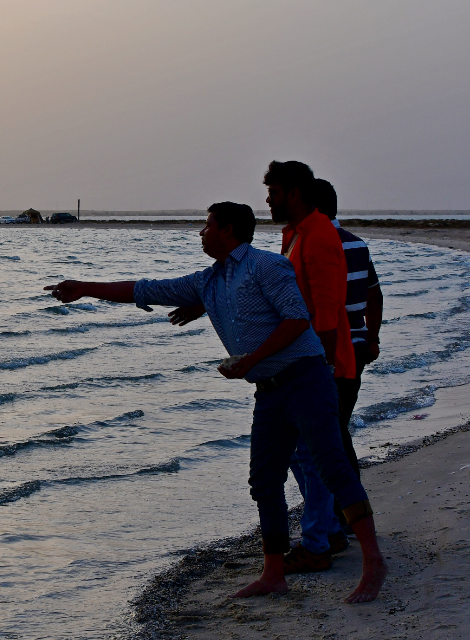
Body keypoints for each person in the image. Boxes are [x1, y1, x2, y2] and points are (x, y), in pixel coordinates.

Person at [44, 201, 387, 603]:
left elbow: (297, 319)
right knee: (264, 481)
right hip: (269, 389)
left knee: (332, 467)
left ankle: (373, 562)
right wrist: (84, 287)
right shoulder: (210, 281)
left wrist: (251, 359)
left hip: (307, 378)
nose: (201, 233)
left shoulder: (267, 266)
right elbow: (146, 289)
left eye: (207, 226)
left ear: (227, 230)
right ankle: (273, 574)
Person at [264, 161, 356, 573]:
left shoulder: (318, 236)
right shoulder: (294, 234)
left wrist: (324, 372)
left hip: (319, 365)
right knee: (297, 454)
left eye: (274, 192)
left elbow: (327, 314)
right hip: (299, 362)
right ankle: (329, 530)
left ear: (295, 193)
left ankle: (317, 542)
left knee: (314, 456)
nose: (268, 200)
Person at [315, 178, 383, 480]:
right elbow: (374, 295)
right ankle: (344, 500)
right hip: (357, 347)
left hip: (330, 349)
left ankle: (349, 501)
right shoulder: (357, 244)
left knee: (333, 431)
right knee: (338, 425)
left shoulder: (313, 245)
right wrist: (372, 338)